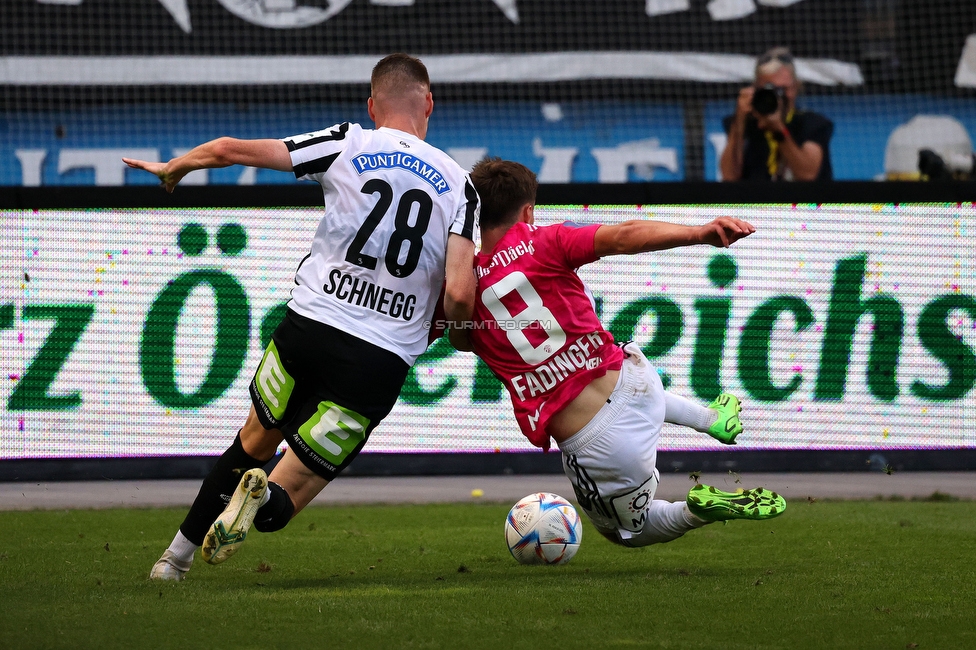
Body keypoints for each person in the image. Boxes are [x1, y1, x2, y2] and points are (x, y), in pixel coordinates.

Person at [124, 53, 480, 580]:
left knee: (252, 441)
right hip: (378, 359)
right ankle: (261, 497)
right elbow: (456, 293)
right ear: (429, 102)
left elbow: (230, 149)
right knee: (294, 487)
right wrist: (462, 330)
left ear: (371, 105)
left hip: (309, 327)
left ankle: (172, 561)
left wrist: (177, 166)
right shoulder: (461, 185)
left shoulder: (349, 142)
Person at [461, 158, 785, 549]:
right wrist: (699, 233)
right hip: (636, 378)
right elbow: (624, 235)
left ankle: (698, 511)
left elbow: (460, 339)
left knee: (626, 533)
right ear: (528, 210)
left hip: (600, 441)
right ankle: (711, 418)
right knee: (619, 385)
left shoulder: (463, 291)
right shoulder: (546, 240)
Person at [719, 46, 833, 182]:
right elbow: (729, 177)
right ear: (756, 89)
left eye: (784, 89)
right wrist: (739, 121)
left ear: (796, 87)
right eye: (770, 89)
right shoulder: (745, 124)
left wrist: (779, 129)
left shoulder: (813, 124)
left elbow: (807, 175)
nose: (779, 97)